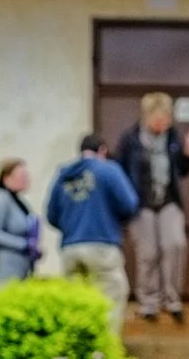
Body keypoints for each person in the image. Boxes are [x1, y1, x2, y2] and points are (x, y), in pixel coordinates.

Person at [112, 93, 189, 323]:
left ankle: (172, 300)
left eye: (166, 118)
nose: (163, 123)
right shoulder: (130, 140)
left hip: (168, 201)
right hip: (141, 204)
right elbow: (119, 172)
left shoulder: (172, 137)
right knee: (148, 253)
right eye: (158, 118)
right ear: (146, 117)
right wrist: (123, 204)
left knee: (174, 245)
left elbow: (181, 171)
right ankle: (149, 303)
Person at [46, 133, 139, 331]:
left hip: (70, 248)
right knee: (111, 297)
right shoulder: (108, 169)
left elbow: (51, 215)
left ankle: (76, 350)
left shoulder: (63, 174)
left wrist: (72, 227)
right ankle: (104, 351)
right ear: (103, 150)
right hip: (101, 245)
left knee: (75, 302)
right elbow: (130, 204)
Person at [0, 158, 38, 287]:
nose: (26, 180)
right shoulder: (0, 199)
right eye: (21, 176)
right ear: (6, 178)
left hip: (21, 267)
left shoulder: (18, 202)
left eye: (26, 176)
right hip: (4, 267)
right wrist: (23, 244)